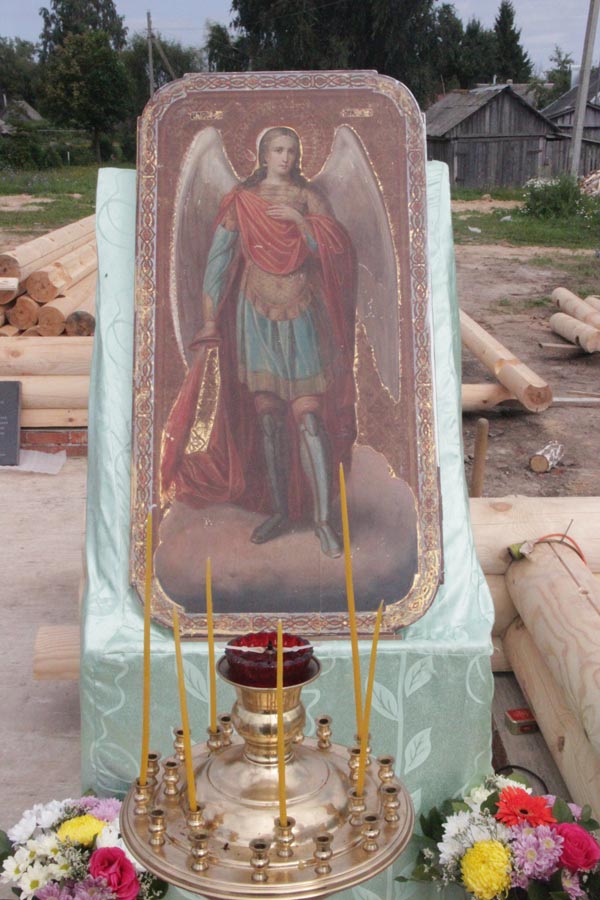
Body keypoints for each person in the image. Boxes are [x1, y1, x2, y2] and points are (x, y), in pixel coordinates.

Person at [161, 127, 357, 558]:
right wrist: (208, 320)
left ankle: (323, 520)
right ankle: (280, 511)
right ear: (263, 154)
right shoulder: (242, 200)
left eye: (292, 150)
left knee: (309, 418)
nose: (286, 157)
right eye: (278, 150)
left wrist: (303, 224)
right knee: (268, 418)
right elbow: (218, 259)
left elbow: (335, 251)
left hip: (302, 313)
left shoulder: (308, 198)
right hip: (254, 313)